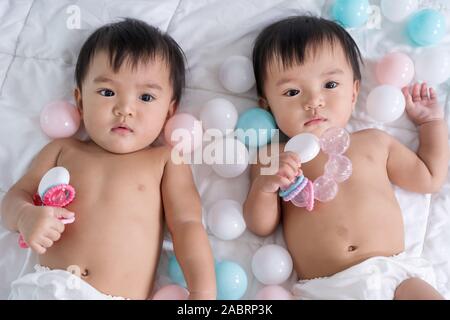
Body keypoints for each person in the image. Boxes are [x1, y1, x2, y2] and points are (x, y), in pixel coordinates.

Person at [1, 18, 216, 300]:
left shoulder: (165, 161)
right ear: (80, 101)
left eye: (146, 97)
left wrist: (203, 292)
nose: (124, 108)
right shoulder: (64, 150)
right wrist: (25, 215)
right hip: (45, 289)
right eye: (107, 92)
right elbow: (13, 198)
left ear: (169, 111)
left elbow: (187, 225)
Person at [244, 15, 449, 299]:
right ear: (268, 108)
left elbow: (429, 178)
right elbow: (261, 225)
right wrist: (264, 187)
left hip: (394, 275)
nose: (314, 101)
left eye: (329, 85)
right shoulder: (274, 157)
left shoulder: (374, 142)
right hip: (325, 288)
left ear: (354, 93)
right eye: (292, 91)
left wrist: (430, 124)